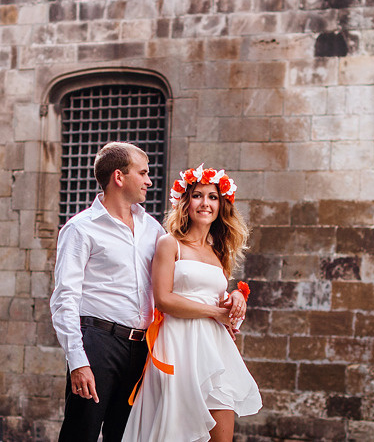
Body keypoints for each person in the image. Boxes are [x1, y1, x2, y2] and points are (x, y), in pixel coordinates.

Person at [121, 165, 262, 442]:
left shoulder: (219, 251)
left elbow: (216, 298)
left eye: (213, 197)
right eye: (197, 195)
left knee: (222, 423)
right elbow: (164, 299)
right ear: (186, 202)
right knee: (177, 430)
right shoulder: (170, 243)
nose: (205, 203)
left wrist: (234, 297)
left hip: (214, 346)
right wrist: (214, 312)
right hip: (178, 343)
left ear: (221, 205)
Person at [50, 142, 166, 442]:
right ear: (119, 177)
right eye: (143, 173)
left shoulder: (153, 229)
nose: (149, 181)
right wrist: (78, 361)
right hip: (98, 344)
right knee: (81, 434)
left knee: (128, 436)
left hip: (142, 349)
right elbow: (65, 298)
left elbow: (178, 277)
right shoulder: (80, 229)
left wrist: (229, 297)